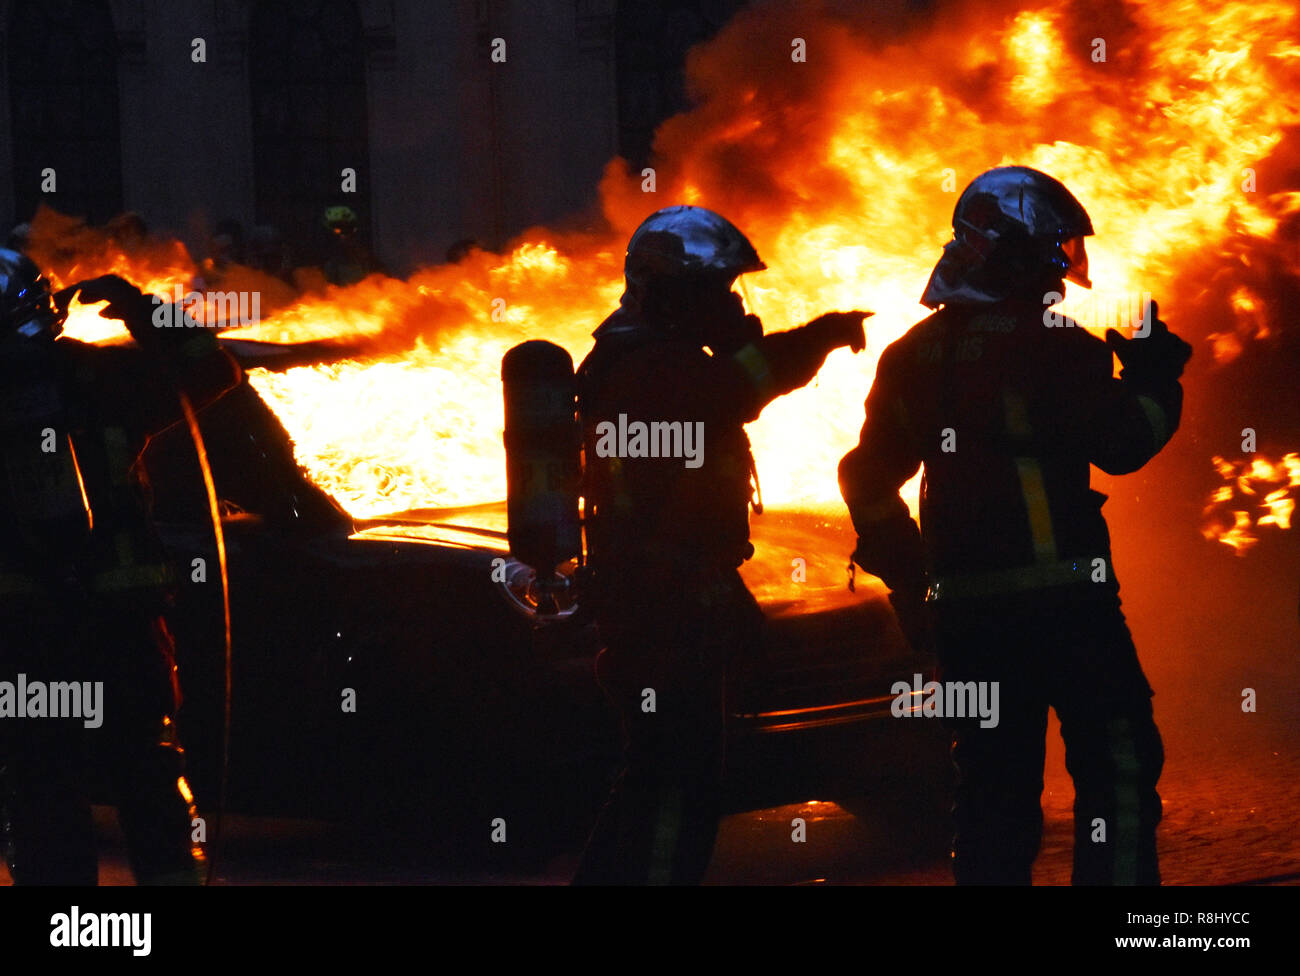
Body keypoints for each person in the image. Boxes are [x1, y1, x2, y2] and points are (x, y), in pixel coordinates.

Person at [838, 166, 1191, 885]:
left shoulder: (912, 357)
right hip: (1069, 609)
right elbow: (1123, 444)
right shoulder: (1057, 346)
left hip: (968, 621)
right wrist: (1154, 376)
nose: (1063, 267)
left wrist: (914, 588)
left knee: (992, 798)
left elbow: (866, 478)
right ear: (1014, 254)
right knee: (1117, 770)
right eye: (1053, 251)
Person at [571, 205, 868, 884]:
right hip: (664, 612)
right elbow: (737, 390)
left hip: (657, 603)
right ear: (675, 295)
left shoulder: (637, 355)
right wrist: (815, 338)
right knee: (681, 784)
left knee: (652, 777)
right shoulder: (657, 367)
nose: (733, 303)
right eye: (719, 292)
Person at [0, 255, 241, 884]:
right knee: (149, 778)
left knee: (42, 788)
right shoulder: (100, 375)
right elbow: (212, 369)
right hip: (121, 633)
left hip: (24, 641)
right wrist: (140, 307)